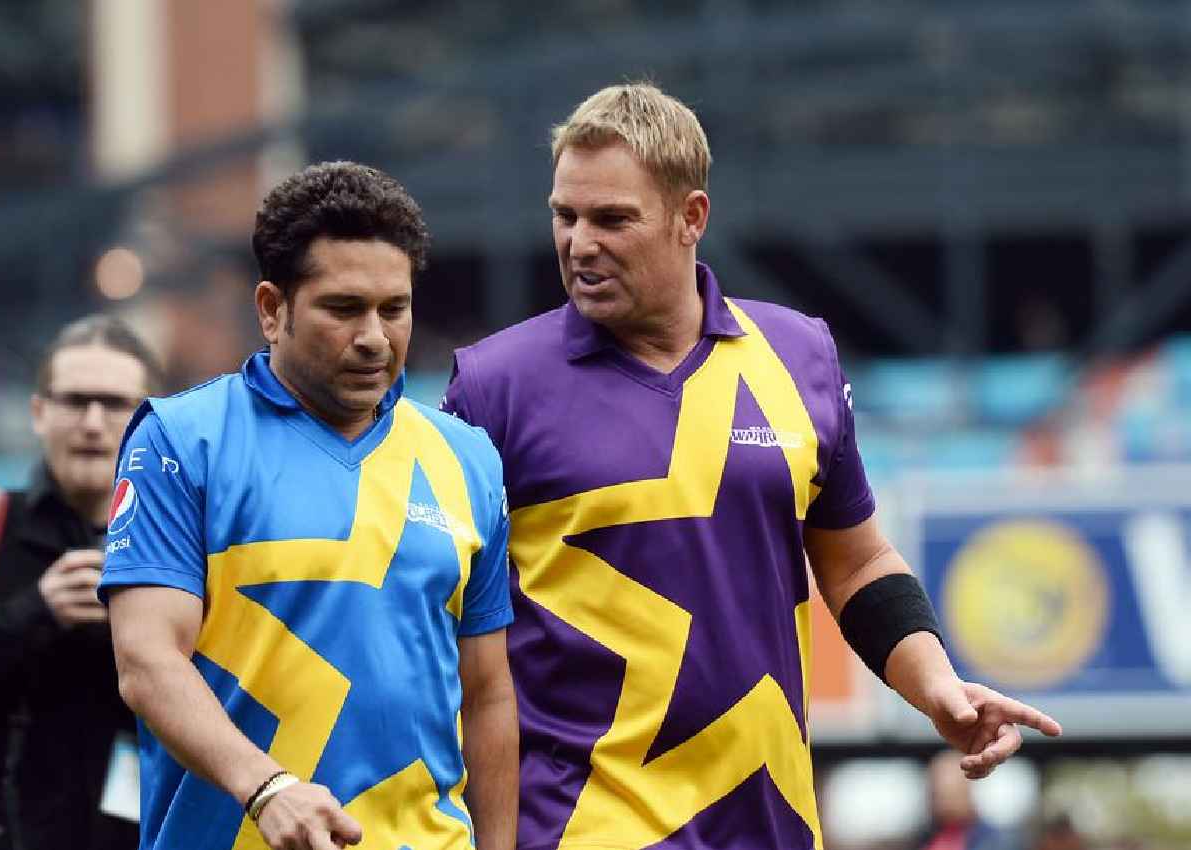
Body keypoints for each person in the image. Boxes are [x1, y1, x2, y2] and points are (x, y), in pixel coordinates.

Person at [441, 82, 1063, 850]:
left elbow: (857, 561)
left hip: (769, 825)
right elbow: (447, 627)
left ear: (691, 217)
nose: (579, 242)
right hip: (576, 828)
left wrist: (936, 687)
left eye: (612, 219)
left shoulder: (801, 357)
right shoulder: (494, 387)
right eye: (564, 216)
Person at [100, 161, 518, 850]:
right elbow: (147, 661)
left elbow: (487, 692)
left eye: (394, 309)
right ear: (272, 309)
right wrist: (265, 788)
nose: (375, 337)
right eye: (344, 309)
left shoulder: (468, 459)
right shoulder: (180, 442)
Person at [0, 314, 163, 850]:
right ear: (38, 412)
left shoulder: (184, 547)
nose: (92, 423)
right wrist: (33, 612)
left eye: (115, 403)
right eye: (74, 401)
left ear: (152, 419)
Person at [915, 751, 1023, 850]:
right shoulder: (921, 838)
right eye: (937, 793)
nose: (944, 802)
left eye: (953, 792)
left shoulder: (998, 842)